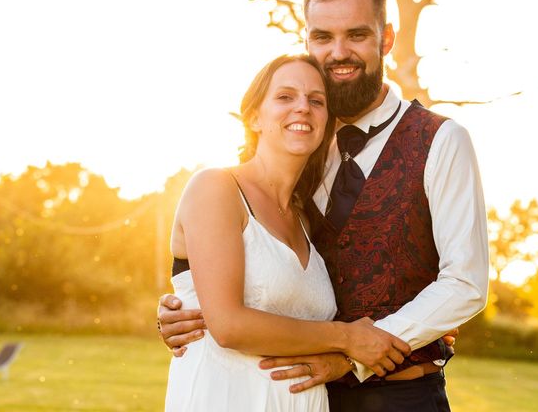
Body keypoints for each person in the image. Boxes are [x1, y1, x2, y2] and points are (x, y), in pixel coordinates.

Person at [160, 0, 489, 411]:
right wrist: (186, 306)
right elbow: (253, 265)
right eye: (322, 37)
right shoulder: (302, 143)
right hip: (304, 395)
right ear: (308, 40)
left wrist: (354, 355)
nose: (339, 52)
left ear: (386, 39)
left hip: (401, 396)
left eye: (356, 34)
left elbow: (465, 283)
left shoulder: (442, 140)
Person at [164, 53, 412, 411]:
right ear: (254, 116)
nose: (302, 108)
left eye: (316, 100)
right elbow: (228, 325)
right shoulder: (215, 187)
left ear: (327, 121)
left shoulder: (308, 218)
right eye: (285, 97)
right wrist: (347, 337)